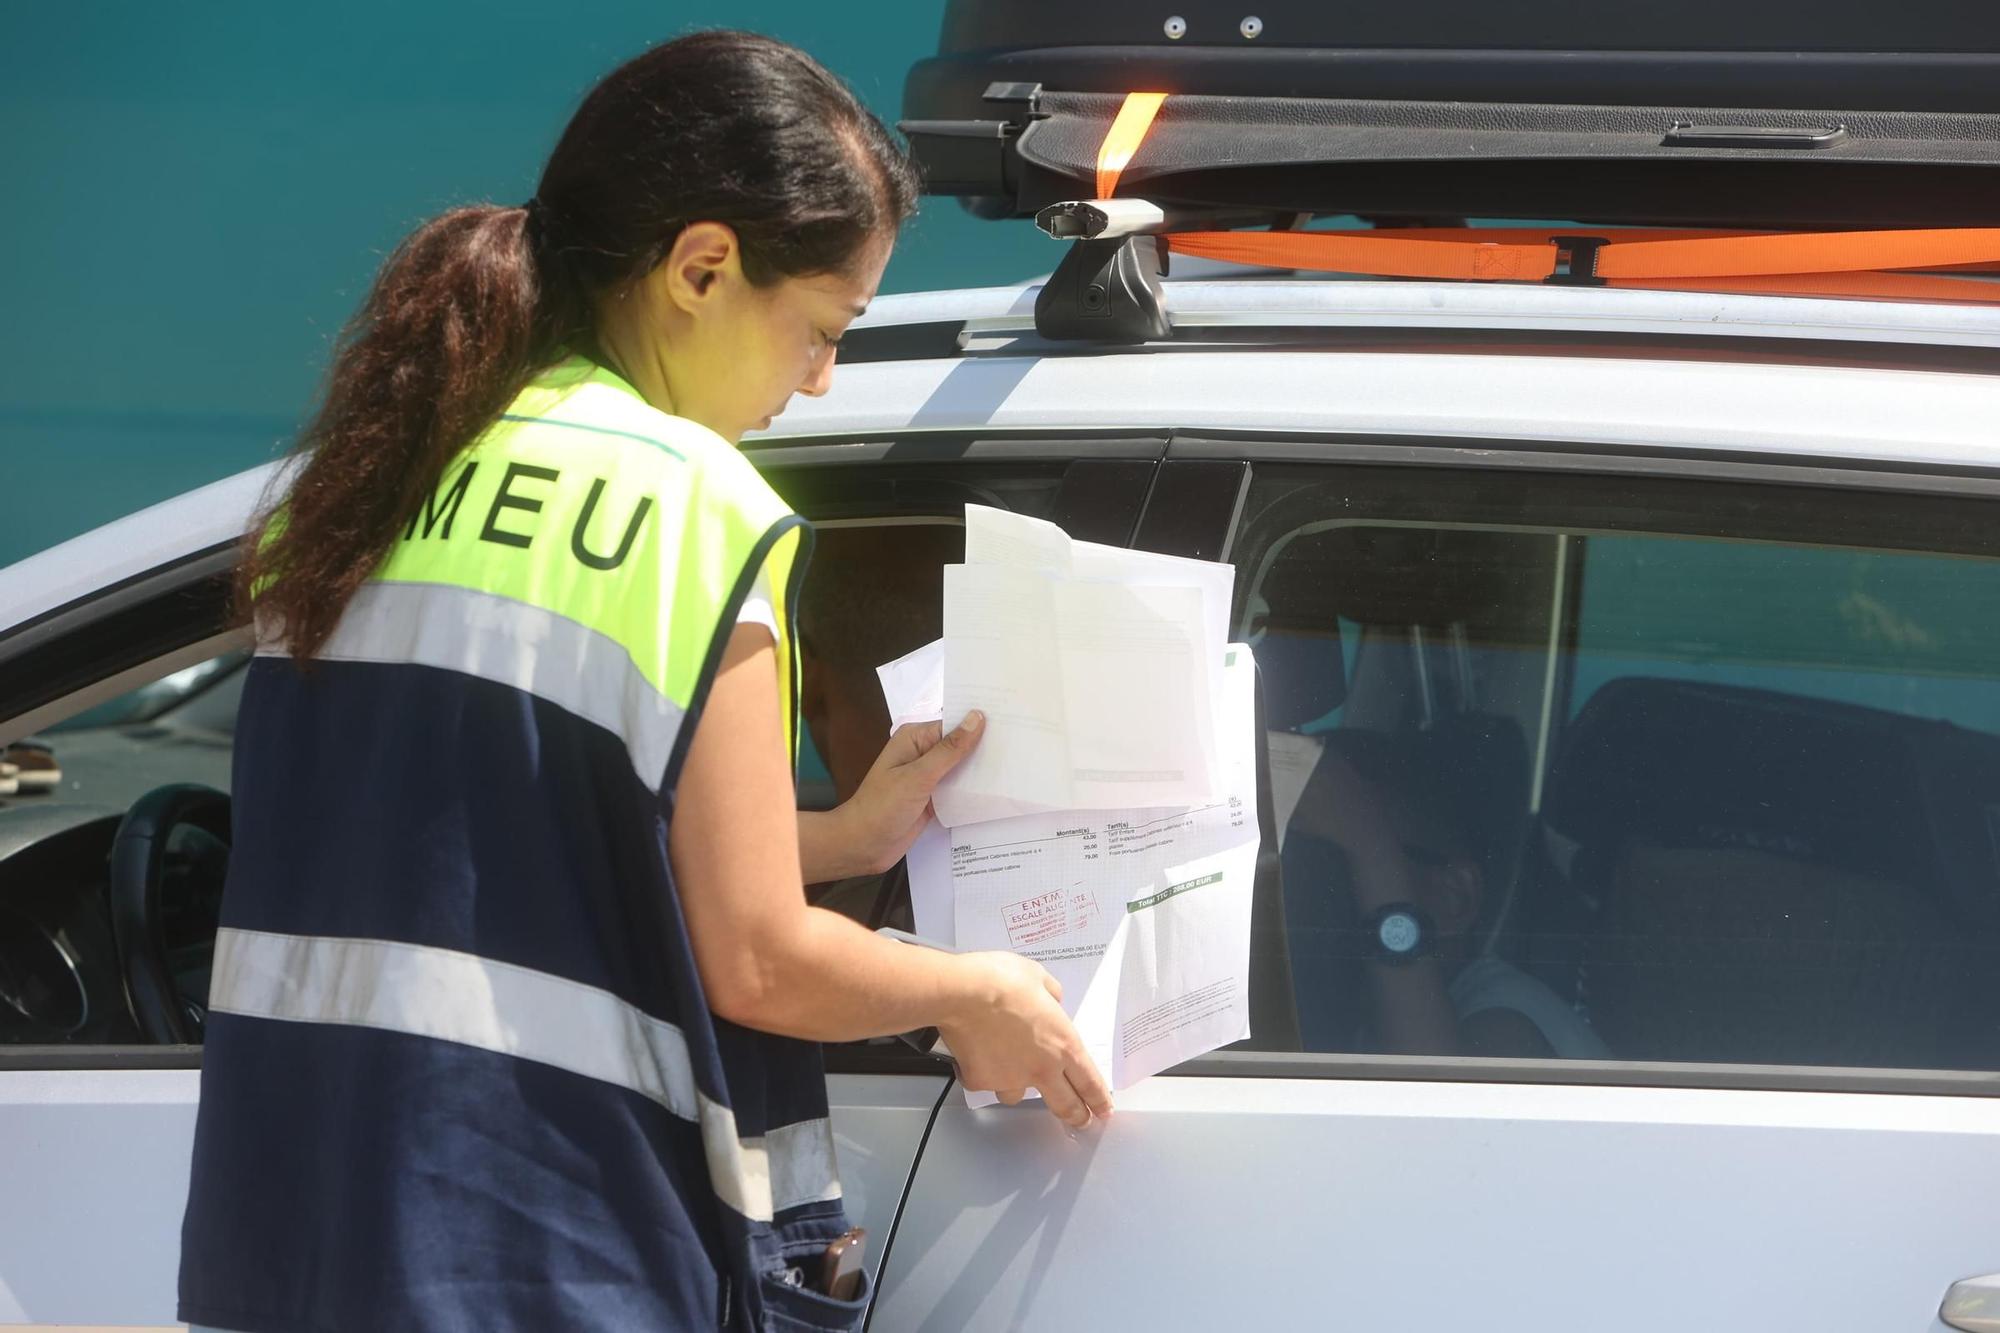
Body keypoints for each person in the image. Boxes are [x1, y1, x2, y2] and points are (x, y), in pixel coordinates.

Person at [178, 32, 1110, 1333]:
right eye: (822, 330)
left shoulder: (360, 482)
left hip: (296, 1243)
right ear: (702, 265)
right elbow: (760, 965)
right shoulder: (696, 509)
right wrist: (977, 993)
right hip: (537, 1249)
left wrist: (838, 838)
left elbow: (497, 831)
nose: (821, 378)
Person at [1289, 729, 1607, 1059]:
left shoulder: (1505, 1019)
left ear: (1455, 897)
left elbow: (1432, 1097)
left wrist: (1368, 842)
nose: (1324, 893)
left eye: (1349, 864)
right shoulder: (1358, 1029)